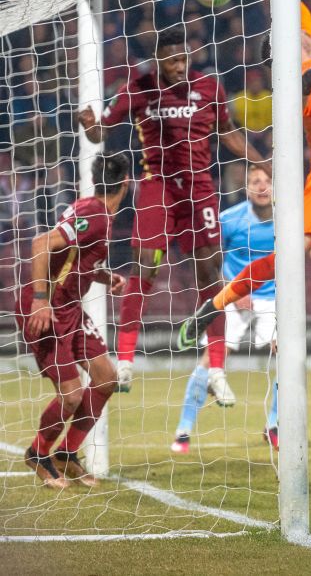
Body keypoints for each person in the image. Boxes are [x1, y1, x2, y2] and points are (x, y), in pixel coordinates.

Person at [178, 2, 311, 363]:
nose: (301, 34)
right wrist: (307, 80)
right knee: (287, 258)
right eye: (290, 37)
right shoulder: (295, 86)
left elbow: (294, 2)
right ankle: (214, 306)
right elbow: (296, 103)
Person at [78, 27, 269, 404]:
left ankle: (216, 369)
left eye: (184, 59)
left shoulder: (209, 88)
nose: (180, 67)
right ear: (159, 60)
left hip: (200, 190)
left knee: (209, 274)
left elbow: (228, 133)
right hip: (157, 187)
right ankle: (127, 360)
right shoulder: (139, 88)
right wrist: (90, 125)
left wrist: (263, 162)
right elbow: (101, 133)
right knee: (144, 267)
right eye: (172, 61)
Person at [171, 164, 311, 454]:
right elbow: (212, 263)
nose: (262, 186)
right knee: (212, 359)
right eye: (255, 181)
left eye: (267, 181)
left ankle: (274, 425)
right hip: (235, 296)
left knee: (290, 356)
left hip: (273, 298)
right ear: (246, 187)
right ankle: (184, 430)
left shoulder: (288, 220)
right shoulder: (229, 219)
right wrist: (234, 293)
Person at [16, 153, 129, 488]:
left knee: (106, 378)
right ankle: (38, 453)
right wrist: (39, 300)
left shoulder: (95, 212)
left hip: (70, 310)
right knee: (71, 395)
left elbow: (78, 261)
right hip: (47, 309)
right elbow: (40, 244)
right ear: (125, 184)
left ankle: (67, 453)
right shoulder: (94, 213)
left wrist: (107, 278)